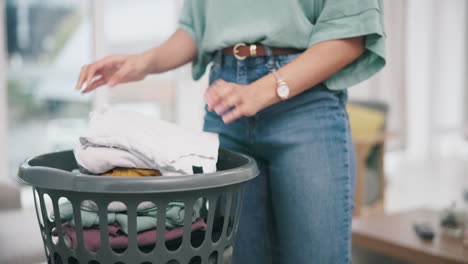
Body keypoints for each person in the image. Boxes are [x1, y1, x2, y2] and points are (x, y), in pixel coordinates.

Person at [75, 0, 386, 263]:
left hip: (306, 108)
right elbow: (196, 29)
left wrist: (263, 89)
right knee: (239, 255)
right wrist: (142, 62)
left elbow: (351, 34)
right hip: (225, 107)